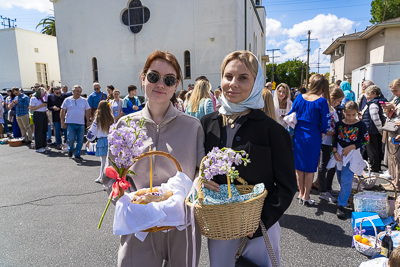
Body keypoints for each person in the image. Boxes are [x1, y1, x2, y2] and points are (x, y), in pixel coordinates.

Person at [102, 50, 204, 267]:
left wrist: (192, 197)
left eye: (169, 80)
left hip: (181, 223)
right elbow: (111, 175)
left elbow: (200, 173)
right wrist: (125, 200)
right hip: (138, 221)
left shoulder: (193, 126)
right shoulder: (124, 125)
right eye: (153, 76)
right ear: (143, 78)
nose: (160, 84)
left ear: (176, 85)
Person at [201, 50, 297, 267]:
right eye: (228, 76)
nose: (233, 83)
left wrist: (260, 220)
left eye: (243, 78)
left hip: (259, 230)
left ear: (256, 82)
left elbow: (287, 186)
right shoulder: (206, 124)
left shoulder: (273, 131)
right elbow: (197, 169)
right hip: (219, 227)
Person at [287, 74, 330, 205]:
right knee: (310, 167)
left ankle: (300, 193)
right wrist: (323, 132)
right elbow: (325, 122)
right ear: (322, 86)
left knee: (299, 167)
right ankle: (306, 195)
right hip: (314, 135)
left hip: (299, 134)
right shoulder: (321, 101)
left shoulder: (299, 97)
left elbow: (291, 114)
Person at [331, 101, 369, 219]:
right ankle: (345, 197)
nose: (351, 118)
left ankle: (341, 204)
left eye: (353, 115)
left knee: (346, 179)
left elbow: (366, 140)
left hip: (353, 155)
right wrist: (335, 151)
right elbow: (334, 138)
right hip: (340, 154)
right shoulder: (339, 124)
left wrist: (352, 146)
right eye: (348, 115)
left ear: (357, 113)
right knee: (340, 177)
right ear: (343, 112)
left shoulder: (361, 125)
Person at [317, 87, 344, 202]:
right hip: (325, 141)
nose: (339, 103)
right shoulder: (324, 109)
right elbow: (320, 127)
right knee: (324, 165)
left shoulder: (332, 108)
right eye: (338, 101)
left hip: (333, 141)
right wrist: (332, 132)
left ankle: (328, 187)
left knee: (332, 165)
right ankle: (322, 190)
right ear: (332, 98)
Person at [60, 85, 91, 160]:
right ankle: (70, 149)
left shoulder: (84, 100)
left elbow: (88, 110)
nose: (79, 93)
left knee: (80, 140)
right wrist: (62, 121)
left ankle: (77, 154)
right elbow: (62, 111)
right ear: (73, 91)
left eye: (80, 91)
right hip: (70, 123)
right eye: (77, 91)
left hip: (81, 123)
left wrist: (87, 121)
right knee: (71, 139)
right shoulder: (67, 100)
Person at [86, 100, 114, 183]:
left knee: (103, 161)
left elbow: (92, 130)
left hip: (101, 141)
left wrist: (88, 140)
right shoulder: (111, 118)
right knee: (110, 161)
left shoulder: (98, 118)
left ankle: (101, 176)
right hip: (110, 140)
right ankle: (109, 177)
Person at [361, 85, 386, 176]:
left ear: (374, 94)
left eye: (368, 94)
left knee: (372, 149)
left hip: (372, 130)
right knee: (377, 148)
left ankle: (374, 166)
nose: (366, 96)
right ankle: (376, 166)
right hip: (375, 130)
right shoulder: (379, 101)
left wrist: (380, 129)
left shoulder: (373, 104)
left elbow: (375, 118)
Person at [383, 79, 400, 190]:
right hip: (391, 129)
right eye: (392, 91)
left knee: (397, 158)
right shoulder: (395, 99)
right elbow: (389, 114)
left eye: (395, 90)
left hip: (398, 131)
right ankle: (394, 181)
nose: (393, 93)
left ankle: (397, 184)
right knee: (392, 157)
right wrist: (388, 108)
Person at [29, 87, 50, 153]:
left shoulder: (43, 98)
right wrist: (40, 106)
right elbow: (31, 108)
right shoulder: (34, 98)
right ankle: (38, 147)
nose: (44, 93)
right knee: (39, 131)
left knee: (44, 130)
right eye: (43, 92)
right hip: (38, 114)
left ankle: (44, 145)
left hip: (44, 114)